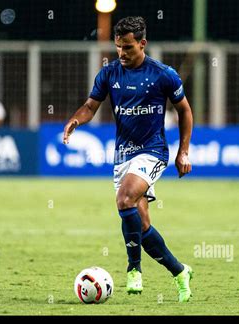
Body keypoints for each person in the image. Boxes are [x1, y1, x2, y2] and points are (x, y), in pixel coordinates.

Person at [63, 17, 194, 302]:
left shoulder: (163, 74)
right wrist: (75, 120)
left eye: (128, 48)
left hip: (153, 150)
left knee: (124, 199)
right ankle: (180, 271)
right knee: (141, 224)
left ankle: (133, 269)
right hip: (123, 155)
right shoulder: (109, 73)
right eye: (119, 47)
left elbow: (184, 111)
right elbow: (90, 107)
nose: (122, 53)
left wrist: (183, 151)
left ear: (142, 44)